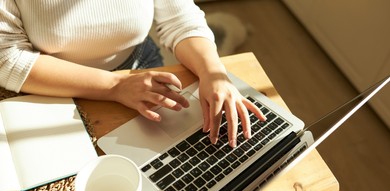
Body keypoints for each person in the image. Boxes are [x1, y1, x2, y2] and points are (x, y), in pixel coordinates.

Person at [0, 0, 266, 148]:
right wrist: (114, 86)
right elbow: (8, 58)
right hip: (53, 82)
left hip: (140, 65)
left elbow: (179, 19)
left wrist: (213, 72)